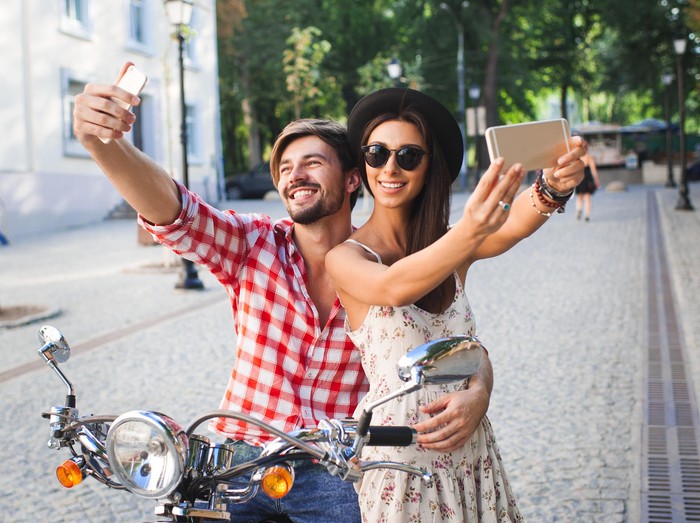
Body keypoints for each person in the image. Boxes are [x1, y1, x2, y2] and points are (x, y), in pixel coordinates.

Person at [72, 63, 495, 523]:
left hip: (336, 466)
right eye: (286, 168)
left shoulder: (391, 263)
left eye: (313, 163)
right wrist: (103, 144)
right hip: (240, 457)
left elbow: (450, 341)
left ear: (353, 178)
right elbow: (175, 211)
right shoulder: (251, 244)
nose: (296, 175)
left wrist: (480, 390)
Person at [326, 88, 586, 522]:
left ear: (431, 166)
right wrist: (470, 230)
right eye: (377, 153)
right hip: (400, 463)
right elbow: (394, 287)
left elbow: (515, 225)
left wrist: (553, 186)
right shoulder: (346, 257)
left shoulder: (450, 244)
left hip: (472, 454)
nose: (390, 167)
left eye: (409, 156)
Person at [574, 144, 600, 221]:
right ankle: (587, 215)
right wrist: (596, 180)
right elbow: (593, 170)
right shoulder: (589, 157)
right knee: (587, 197)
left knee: (579, 196)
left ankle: (579, 209)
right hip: (587, 179)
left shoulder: (577, 158)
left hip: (579, 177)